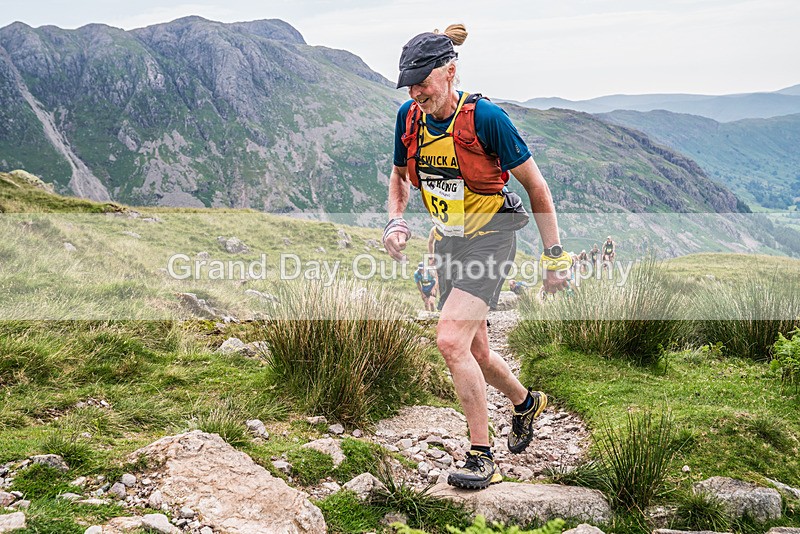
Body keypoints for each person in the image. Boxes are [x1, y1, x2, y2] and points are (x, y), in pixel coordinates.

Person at [382, 24, 572, 490]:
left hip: (492, 237)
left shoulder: (486, 118)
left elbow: (536, 186)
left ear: (449, 72)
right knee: (476, 350)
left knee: (449, 341)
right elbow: (399, 178)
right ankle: (526, 403)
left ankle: (481, 454)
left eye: (422, 81)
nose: (415, 91)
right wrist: (396, 220)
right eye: (409, 83)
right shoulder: (410, 119)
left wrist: (554, 256)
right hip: (449, 241)